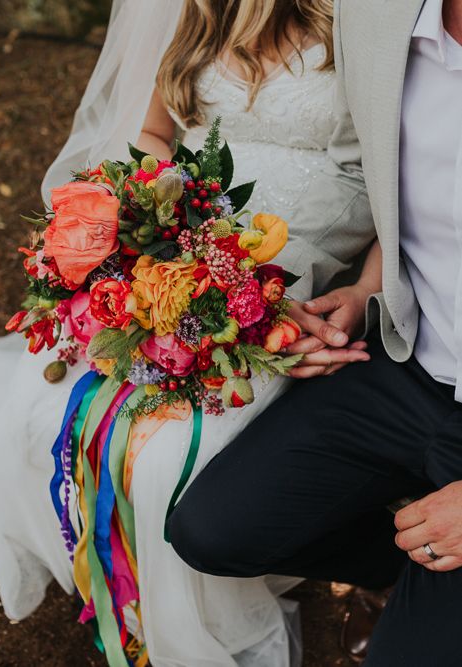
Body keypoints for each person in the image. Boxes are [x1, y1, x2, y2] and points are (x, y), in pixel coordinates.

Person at [0, 1, 374, 665]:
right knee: (44, 409)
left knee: (164, 459)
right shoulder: (196, 14)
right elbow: (151, 135)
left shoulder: (361, 20)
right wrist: (156, 225)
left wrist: (365, 289)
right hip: (188, 251)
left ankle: (199, 605)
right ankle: (129, 587)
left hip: (299, 279)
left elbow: (403, 189)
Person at [168, 0, 462, 664]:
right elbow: (395, 180)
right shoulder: (377, 16)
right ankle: (405, 569)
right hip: (412, 362)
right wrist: (363, 290)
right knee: (211, 529)